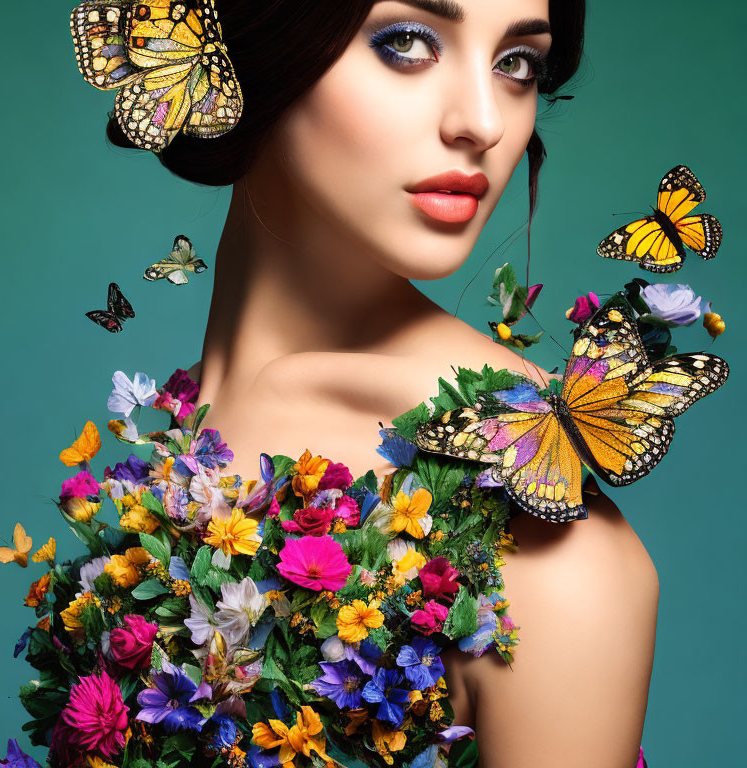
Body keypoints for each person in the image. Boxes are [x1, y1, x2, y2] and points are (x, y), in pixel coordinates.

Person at [136, 1, 656, 766]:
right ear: (259, 40)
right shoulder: (190, 420)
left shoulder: (545, 557)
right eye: (407, 42)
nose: (482, 122)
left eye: (518, 64)